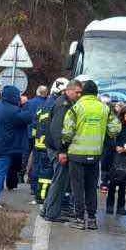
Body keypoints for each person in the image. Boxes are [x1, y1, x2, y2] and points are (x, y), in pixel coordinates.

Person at [61, 80, 120, 229]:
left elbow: (67, 132)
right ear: (96, 93)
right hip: (95, 154)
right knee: (91, 187)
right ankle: (92, 219)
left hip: (76, 154)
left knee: (77, 187)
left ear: (83, 92)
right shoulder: (104, 108)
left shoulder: (76, 108)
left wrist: (64, 145)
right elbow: (115, 128)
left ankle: (79, 219)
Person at [0, 85, 34, 208]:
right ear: (14, 96)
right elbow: (29, 118)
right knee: (0, 174)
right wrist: (25, 104)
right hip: (4, 148)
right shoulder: (14, 110)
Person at [40, 79, 81, 222]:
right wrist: (62, 151)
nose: (79, 95)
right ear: (68, 90)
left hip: (56, 148)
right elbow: (57, 130)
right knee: (59, 181)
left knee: (58, 180)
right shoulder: (63, 105)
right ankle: (51, 213)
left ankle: (47, 209)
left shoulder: (65, 103)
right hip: (58, 149)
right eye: (77, 92)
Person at [105, 106, 126, 215]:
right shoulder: (117, 126)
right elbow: (109, 139)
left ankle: (121, 206)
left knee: (123, 183)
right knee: (112, 181)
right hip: (115, 156)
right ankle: (109, 206)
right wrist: (116, 147)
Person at [25, 85, 52, 202]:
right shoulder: (49, 104)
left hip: (31, 135)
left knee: (30, 159)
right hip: (43, 140)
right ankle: (38, 190)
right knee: (41, 165)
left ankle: (29, 182)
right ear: (46, 93)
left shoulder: (30, 103)